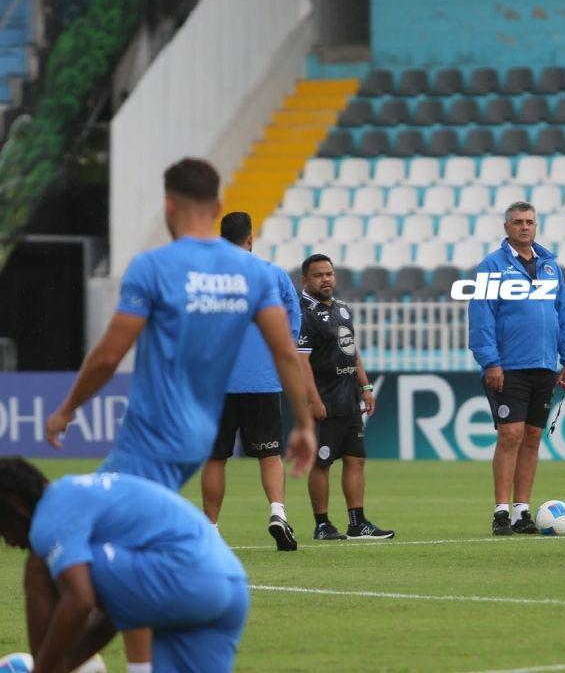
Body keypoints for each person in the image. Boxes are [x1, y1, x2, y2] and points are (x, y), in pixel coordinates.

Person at [42, 158, 316, 672]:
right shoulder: (255, 273)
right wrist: (302, 424)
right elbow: (286, 352)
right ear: (216, 208)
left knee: (64, 543)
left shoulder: (153, 267)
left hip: (155, 435)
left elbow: (107, 355)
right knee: (125, 546)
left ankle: (71, 664)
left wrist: (65, 410)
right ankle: (142, 661)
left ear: (168, 204)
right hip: (194, 436)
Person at [0, 458, 249, 672]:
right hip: (232, 586)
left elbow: (80, 600)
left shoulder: (49, 516)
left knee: (39, 565)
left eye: (2, 527)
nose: (8, 541)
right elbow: (116, 610)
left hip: (186, 579)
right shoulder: (72, 494)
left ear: (16, 503)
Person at [468, 201, 565, 535]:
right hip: (509, 365)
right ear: (506, 227)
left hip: (545, 364)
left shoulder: (550, 267)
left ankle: (522, 511)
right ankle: (501, 512)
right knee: (511, 434)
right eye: (517, 222)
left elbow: (564, 315)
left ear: (536, 226)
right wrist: (490, 361)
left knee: (532, 436)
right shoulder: (491, 266)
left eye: (530, 222)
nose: (524, 227)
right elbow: (481, 317)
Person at [200, 212, 303, 551]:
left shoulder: (206, 279)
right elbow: (292, 326)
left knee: (216, 458)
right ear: (250, 237)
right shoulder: (272, 274)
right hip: (263, 379)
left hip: (217, 382)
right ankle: (278, 512)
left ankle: (211, 529)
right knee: (270, 454)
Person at [299, 253, 393, 541]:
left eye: (329, 273)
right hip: (323, 400)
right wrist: (313, 400)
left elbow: (351, 351)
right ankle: (322, 524)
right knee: (322, 462)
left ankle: (357, 522)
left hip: (348, 398)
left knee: (355, 459)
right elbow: (300, 362)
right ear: (305, 280)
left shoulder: (342, 309)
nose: (325, 279)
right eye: (318, 275)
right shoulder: (303, 314)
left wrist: (365, 387)